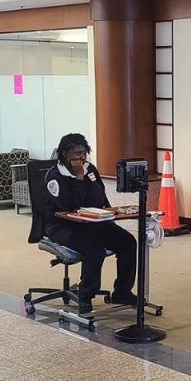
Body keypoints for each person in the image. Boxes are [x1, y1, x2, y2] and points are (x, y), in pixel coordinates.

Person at [42, 133, 137, 314]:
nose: (81, 157)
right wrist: (78, 179)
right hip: (63, 225)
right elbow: (69, 206)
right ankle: (85, 295)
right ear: (65, 154)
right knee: (94, 249)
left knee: (128, 242)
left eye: (84, 153)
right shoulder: (54, 177)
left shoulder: (90, 170)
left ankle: (122, 292)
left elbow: (100, 196)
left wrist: (110, 214)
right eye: (76, 153)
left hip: (92, 222)